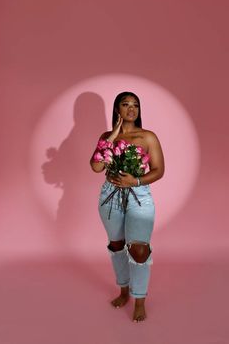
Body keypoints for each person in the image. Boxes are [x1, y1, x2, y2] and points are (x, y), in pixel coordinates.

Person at [90, 91, 165, 322]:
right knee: (116, 245)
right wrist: (112, 135)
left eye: (135, 105)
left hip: (139, 196)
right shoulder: (106, 136)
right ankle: (124, 291)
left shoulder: (148, 137)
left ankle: (139, 299)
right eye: (126, 104)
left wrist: (136, 180)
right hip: (110, 196)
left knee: (139, 250)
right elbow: (96, 167)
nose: (131, 109)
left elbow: (159, 170)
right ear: (117, 109)